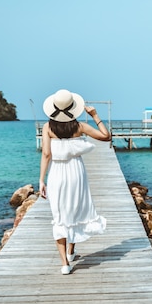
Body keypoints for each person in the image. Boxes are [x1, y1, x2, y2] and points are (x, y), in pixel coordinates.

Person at [38, 89, 111, 274]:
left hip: (57, 173)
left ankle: (65, 264)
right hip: (76, 172)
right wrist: (95, 115)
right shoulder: (79, 126)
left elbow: (46, 154)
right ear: (72, 108)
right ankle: (71, 251)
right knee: (74, 210)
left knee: (60, 215)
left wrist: (41, 180)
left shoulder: (48, 127)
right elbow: (105, 136)